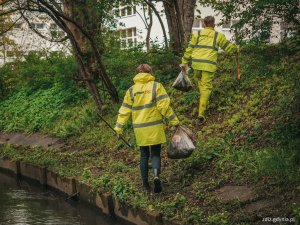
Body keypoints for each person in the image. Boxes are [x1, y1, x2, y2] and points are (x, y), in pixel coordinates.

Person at [114, 64, 179, 194]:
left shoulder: (131, 90)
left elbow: (124, 111)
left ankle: (145, 185)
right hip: (155, 126)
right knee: (155, 153)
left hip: (140, 129)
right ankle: (156, 175)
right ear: (150, 72)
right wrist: (175, 122)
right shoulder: (156, 86)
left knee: (144, 155)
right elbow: (164, 107)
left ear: (137, 74)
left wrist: (118, 128)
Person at [180, 15, 238, 122]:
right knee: (206, 87)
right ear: (214, 24)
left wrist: (184, 62)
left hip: (196, 64)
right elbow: (228, 48)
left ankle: (203, 98)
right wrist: (236, 49)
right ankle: (201, 113)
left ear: (204, 24)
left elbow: (189, 49)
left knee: (200, 82)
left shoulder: (196, 34)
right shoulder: (218, 35)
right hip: (209, 66)